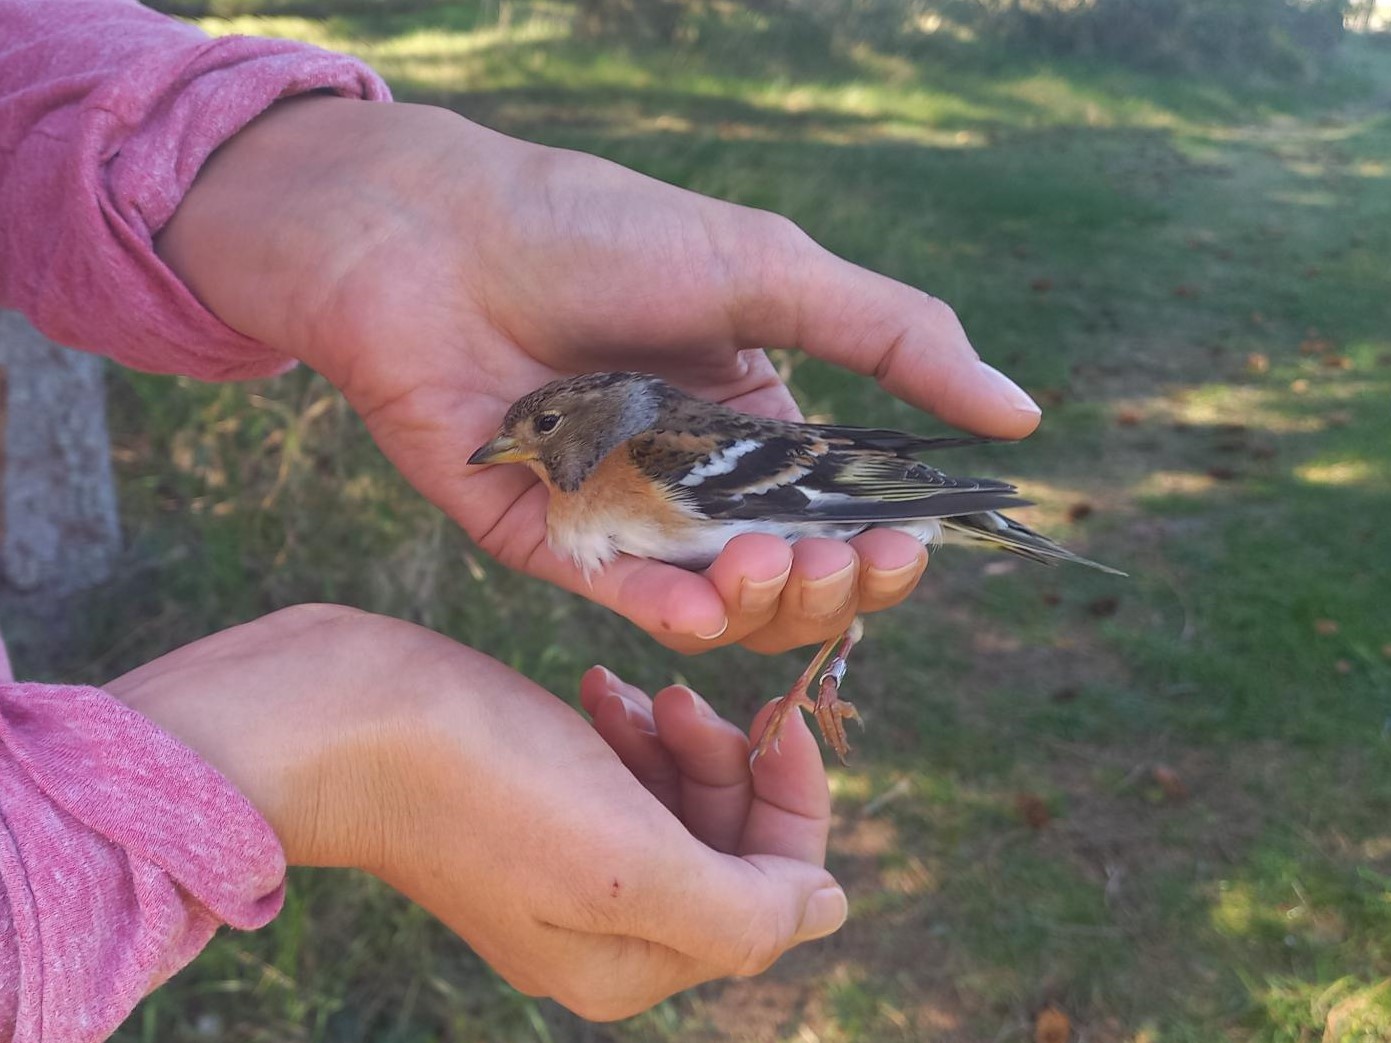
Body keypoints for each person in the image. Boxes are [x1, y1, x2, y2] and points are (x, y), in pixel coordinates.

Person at [0, 0, 1041, 1038]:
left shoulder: (650, 457)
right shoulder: (625, 460)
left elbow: (814, 481)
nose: (511, 452)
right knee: (786, 579)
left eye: (535, 427)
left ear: (587, 417)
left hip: (837, 487)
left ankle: (843, 649)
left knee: (812, 566)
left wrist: (367, 209)